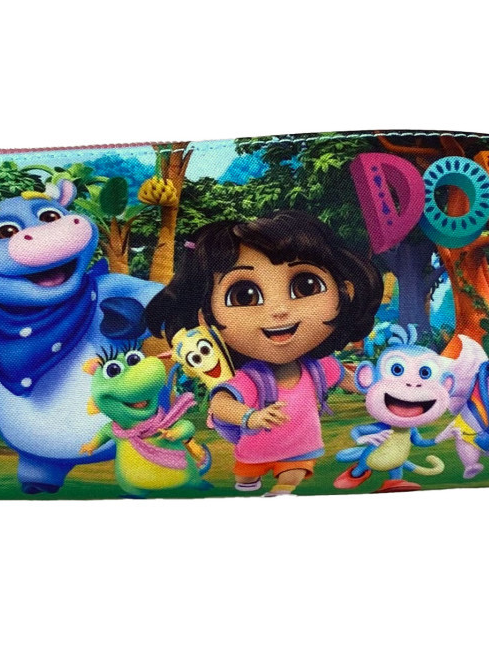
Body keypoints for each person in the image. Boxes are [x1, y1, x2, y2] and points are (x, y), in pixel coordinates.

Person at [146, 211, 383, 495]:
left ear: (346, 292)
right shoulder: (252, 378)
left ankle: (282, 490)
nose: (279, 310)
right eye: (244, 295)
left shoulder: (318, 368)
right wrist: (250, 418)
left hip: (302, 446)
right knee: (246, 479)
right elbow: (220, 403)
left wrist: (377, 387)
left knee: (293, 473)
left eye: (305, 286)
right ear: (206, 317)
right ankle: (251, 484)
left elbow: (346, 379)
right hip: (256, 449)